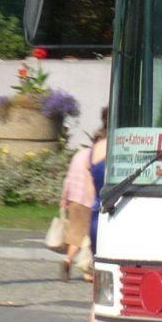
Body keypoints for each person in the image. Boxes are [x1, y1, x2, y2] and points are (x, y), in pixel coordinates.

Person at [58, 109, 106, 280]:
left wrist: (64, 198)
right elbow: (93, 181)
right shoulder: (95, 158)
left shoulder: (78, 155)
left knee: (76, 234)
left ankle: (73, 262)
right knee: (87, 236)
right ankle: (84, 268)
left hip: (74, 199)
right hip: (87, 200)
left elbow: (68, 178)